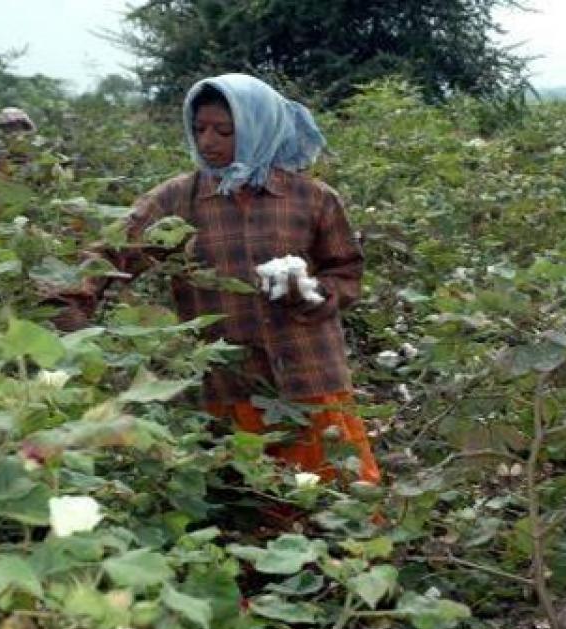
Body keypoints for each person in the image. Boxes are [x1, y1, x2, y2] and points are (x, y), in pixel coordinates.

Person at [49, 73, 381, 491]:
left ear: (259, 128)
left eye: (224, 130)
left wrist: (316, 294)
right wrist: (71, 301)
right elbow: (112, 252)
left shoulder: (313, 198)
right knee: (252, 503)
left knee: (342, 495)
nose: (209, 141)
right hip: (228, 384)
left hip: (311, 374)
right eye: (200, 129)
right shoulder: (177, 200)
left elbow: (346, 272)